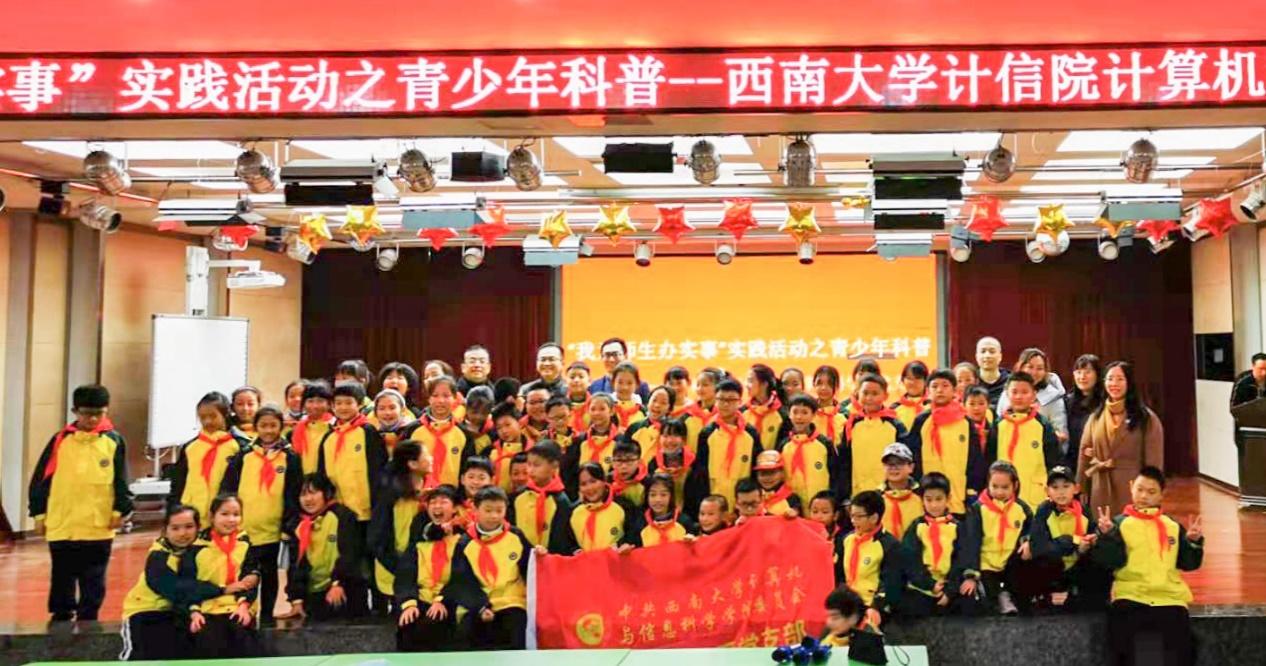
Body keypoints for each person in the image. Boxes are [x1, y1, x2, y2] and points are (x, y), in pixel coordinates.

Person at [29, 384, 132, 624]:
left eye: (99, 413)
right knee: (62, 573)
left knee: (93, 576)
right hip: (62, 522)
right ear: (75, 411)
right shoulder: (60, 441)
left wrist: (121, 509)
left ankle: (88, 618)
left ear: (106, 411)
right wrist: (39, 513)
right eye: (87, 413)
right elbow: (41, 479)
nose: (93, 419)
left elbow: (122, 479)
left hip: (98, 524)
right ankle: (61, 615)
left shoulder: (114, 441)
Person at [1094, 466, 1204, 666]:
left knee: (1185, 648)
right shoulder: (1119, 524)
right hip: (1131, 596)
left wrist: (1193, 542)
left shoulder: (1172, 526)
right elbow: (1110, 561)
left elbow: (1189, 563)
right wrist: (1108, 536)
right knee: (1119, 645)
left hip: (1169, 599)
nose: (1144, 496)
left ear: (1162, 495)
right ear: (1131, 487)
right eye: (1140, 489)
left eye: (1151, 492)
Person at [219, 406, 301, 625]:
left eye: (273, 425)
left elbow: (293, 493)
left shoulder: (290, 458)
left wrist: (288, 524)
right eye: (263, 425)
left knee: (270, 574)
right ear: (256, 427)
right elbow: (229, 488)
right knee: (246, 574)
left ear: (281, 427)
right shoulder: (243, 456)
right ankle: (245, 613)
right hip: (244, 529)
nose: (268, 430)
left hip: (273, 530)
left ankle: (267, 617)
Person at [120, 505, 224, 661]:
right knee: (141, 656)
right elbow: (175, 588)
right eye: (175, 528)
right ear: (165, 530)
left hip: (177, 611)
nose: (182, 533)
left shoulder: (203, 551)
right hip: (144, 612)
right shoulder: (158, 556)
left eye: (189, 527)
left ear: (198, 527)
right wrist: (220, 590)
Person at [448, 486, 535, 650]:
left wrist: (540, 555)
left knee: (516, 629)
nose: (494, 516)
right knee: (466, 635)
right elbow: (462, 581)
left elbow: (531, 567)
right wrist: (481, 606)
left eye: (499, 510)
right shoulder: (465, 543)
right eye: (488, 510)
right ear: (475, 510)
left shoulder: (516, 536)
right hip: (478, 603)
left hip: (512, 601)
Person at [180, 494, 262, 658]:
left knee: (244, 640)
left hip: (237, 606)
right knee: (208, 642)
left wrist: (244, 606)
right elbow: (188, 584)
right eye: (224, 514)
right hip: (206, 609)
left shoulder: (245, 544)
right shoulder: (196, 547)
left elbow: (250, 580)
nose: (231, 519)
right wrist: (194, 612)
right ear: (212, 516)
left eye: (236, 514)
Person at [1077, 361, 1164, 514]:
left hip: (1132, 488)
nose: (1114, 384)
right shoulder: (1095, 417)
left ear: (1129, 383)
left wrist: (1151, 492)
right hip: (1100, 488)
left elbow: (1154, 461)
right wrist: (1080, 488)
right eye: (1110, 379)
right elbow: (1084, 456)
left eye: (1120, 379)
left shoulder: (1146, 418)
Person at [285, 475, 367, 621]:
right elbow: (295, 565)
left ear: (326, 493)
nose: (308, 499)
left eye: (313, 493)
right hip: (314, 593)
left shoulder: (342, 516)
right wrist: (296, 600)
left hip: (343, 589)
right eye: (303, 495)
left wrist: (338, 583)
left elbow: (350, 554)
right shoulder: (298, 525)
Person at [957, 461, 1033, 616]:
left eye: (1005, 487)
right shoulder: (978, 509)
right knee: (985, 602)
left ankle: (1008, 596)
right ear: (988, 484)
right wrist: (971, 575)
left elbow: (1031, 529)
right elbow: (971, 542)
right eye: (995, 486)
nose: (999, 492)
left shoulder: (1022, 509)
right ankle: (997, 596)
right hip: (986, 565)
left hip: (1010, 562)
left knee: (1023, 587)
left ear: (1015, 485)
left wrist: (1027, 541)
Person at [395, 485, 466, 652]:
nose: (437, 506)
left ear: (454, 508)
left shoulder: (462, 542)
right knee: (408, 623)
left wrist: (442, 600)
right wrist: (409, 603)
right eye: (433, 502)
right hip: (421, 597)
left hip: (449, 598)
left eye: (443, 502)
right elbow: (405, 576)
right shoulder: (418, 543)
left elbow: (462, 576)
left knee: (435, 623)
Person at [1028, 466, 1108, 611]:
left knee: (1099, 559)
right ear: (1047, 491)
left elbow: (1091, 535)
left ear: (1076, 489)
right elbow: (1039, 547)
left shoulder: (1084, 511)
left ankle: (1083, 596)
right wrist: (1073, 542)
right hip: (1053, 566)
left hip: (1076, 565)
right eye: (1055, 487)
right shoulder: (1044, 511)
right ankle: (1042, 596)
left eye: (1066, 486)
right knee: (1039, 560)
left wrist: (1098, 536)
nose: (1061, 492)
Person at [367, 442, 433, 613]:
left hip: (423, 570)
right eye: (426, 455)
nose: (431, 459)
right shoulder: (390, 495)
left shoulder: (431, 491)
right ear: (412, 464)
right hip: (395, 568)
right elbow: (377, 538)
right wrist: (401, 568)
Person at [908, 369, 984, 516]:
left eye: (945, 386)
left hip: (958, 496)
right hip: (928, 499)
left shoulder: (965, 421)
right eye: (934, 386)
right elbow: (913, 456)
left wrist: (971, 490)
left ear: (954, 390)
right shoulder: (921, 421)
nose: (939, 390)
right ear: (927, 391)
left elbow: (975, 459)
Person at [170, 392, 249, 527]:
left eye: (213, 416)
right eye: (202, 417)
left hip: (226, 517)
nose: (207, 421)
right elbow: (178, 483)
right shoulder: (191, 447)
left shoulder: (240, 446)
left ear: (225, 414)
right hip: (192, 516)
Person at [317, 382, 388, 525]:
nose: (343, 407)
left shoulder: (368, 432)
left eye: (349, 403)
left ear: (360, 404)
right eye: (338, 403)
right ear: (332, 406)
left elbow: (379, 468)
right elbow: (322, 472)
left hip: (367, 509)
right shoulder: (328, 437)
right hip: (338, 510)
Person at [991, 372, 1060, 508]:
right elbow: (990, 459)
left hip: (1035, 496)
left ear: (1034, 395)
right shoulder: (999, 425)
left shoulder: (1042, 425)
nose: (1019, 397)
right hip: (1003, 495)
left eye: (1024, 392)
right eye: (1014, 392)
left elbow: (1053, 460)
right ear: (1007, 394)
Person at [897, 473, 962, 618]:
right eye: (929, 499)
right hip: (921, 587)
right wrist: (930, 584)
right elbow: (910, 560)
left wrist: (949, 590)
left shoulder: (958, 527)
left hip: (949, 587)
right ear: (922, 500)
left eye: (939, 499)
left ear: (948, 499)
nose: (934, 505)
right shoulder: (917, 527)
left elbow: (961, 560)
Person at [833, 490, 901, 625]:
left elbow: (890, 583)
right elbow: (839, 574)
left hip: (871, 607)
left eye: (859, 517)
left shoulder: (889, 545)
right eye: (852, 515)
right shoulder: (846, 539)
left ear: (874, 518)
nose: (853, 521)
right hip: (846, 603)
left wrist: (876, 607)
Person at [839, 373, 907, 501]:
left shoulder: (895, 425)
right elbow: (844, 462)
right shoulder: (851, 425)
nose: (869, 398)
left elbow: (904, 461)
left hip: (888, 495)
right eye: (865, 393)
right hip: (857, 494)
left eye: (875, 394)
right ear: (858, 394)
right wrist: (844, 497)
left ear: (885, 396)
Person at [695, 379, 761, 508]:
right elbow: (700, 472)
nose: (725, 404)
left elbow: (755, 470)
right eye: (721, 399)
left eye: (731, 400)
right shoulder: (707, 433)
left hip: (743, 504)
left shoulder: (751, 434)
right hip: (715, 503)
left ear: (740, 402)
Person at [405, 376, 475, 488]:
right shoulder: (412, 430)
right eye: (435, 395)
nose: (440, 401)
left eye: (446, 396)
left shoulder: (464, 433)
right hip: (418, 493)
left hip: (451, 494)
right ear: (429, 399)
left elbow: (467, 469)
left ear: (455, 398)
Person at [998, 348, 1069, 449]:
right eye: (1030, 367)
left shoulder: (1053, 398)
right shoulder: (1007, 393)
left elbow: (1062, 435)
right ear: (1021, 367)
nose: (1034, 372)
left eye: (1039, 368)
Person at [510, 440, 573, 554]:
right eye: (529, 464)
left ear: (554, 466)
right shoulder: (517, 496)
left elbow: (561, 541)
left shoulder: (561, 501)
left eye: (537, 465)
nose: (530, 470)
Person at [775, 394, 837, 508]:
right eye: (795, 412)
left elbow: (835, 474)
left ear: (813, 415)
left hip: (819, 507)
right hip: (792, 507)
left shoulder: (824, 443)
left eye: (804, 412)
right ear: (789, 414)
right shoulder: (784, 445)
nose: (799, 417)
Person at [567, 463, 641, 552]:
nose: (589, 488)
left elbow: (634, 537)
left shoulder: (624, 506)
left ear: (604, 480)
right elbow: (568, 543)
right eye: (583, 484)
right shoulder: (574, 511)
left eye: (593, 481)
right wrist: (575, 550)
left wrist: (623, 545)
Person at [644, 418, 708, 518]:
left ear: (684, 439)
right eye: (665, 436)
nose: (670, 441)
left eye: (675, 436)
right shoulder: (653, 464)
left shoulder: (695, 464)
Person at [562, 393, 621, 496]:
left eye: (602, 409)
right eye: (593, 409)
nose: (597, 413)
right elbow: (569, 473)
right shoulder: (578, 441)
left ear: (612, 411)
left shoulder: (621, 441)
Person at [1064, 354, 1105, 472]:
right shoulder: (1067, 401)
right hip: (1071, 463)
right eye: (1078, 372)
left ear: (1098, 374)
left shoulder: (1105, 402)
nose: (1082, 377)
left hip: (1096, 462)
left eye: (1088, 372)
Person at [289, 380, 335, 475]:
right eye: (310, 401)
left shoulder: (335, 427)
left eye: (320, 401)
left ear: (329, 404)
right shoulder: (298, 428)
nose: (315, 406)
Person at [640, 474, 700, 546]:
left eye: (663, 495)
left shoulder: (684, 522)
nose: (658, 500)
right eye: (653, 495)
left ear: (671, 496)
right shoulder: (640, 523)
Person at [588, 338, 651, 403]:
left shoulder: (641, 386)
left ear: (625, 356)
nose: (611, 360)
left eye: (615, 354)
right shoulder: (594, 386)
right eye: (607, 355)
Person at [879, 443, 921, 539]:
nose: (894, 468)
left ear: (911, 467)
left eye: (900, 463)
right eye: (889, 464)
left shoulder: (922, 495)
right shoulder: (875, 498)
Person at [623, 384, 674, 463]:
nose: (657, 405)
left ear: (669, 409)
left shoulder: (673, 430)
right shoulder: (634, 427)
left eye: (663, 403)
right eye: (654, 400)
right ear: (648, 402)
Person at [488, 403, 531, 494]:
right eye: (499, 428)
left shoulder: (534, 450)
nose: (504, 431)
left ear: (520, 423)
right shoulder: (490, 451)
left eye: (507, 425)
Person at [962, 386, 995, 499]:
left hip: (989, 483)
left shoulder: (995, 428)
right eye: (971, 404)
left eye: (981, 403)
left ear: (988, 405)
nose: (976, 408)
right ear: (964, 405)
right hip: (965, 482)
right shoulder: (959, 429)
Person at [744, 364, 785, 451]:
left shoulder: (782, 414)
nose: (746, 385)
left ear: (764, 384)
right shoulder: (742, 412)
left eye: (750, 381)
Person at [753, 450, 801, 517]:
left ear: (782, 473)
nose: (767, 478)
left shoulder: (791, 497)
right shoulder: (752, 495)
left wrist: (794, 513)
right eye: (763, 474)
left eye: (772, 473)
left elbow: (798, 516)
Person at [370, 388, 417, 455]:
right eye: (381, 408)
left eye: (392, 408)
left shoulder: (412, 431)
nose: (387, 413)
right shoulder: (372, 434)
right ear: (375, 413)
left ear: (402, 410)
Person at [811, 365, 848, 449]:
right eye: (819, 383)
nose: (824, 388)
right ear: (814, 384)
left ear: (837, 386)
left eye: (829, 384)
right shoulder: (809, 412)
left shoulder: (844, 414)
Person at [454, 458, 495, 529]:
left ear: (491, 481)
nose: (475, 482)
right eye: (471, 477)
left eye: (481, 478)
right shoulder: (454, 503)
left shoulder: (497, 504)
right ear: (462, 479)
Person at [891, 361, 930, 431]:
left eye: (918, 378)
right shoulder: (894, 409)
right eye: (909, 378)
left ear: (926, 381)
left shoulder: (933, 406)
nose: (913, 382)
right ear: (903, 380)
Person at [610, 441, 649, 507]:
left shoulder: (647, 484)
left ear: (639, 462)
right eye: (619, 460)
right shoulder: (608, 481)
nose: (624, 466)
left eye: (629, 461)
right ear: (613, 462)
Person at [975, 337, 1009, 410]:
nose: (987, 355)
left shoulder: (1010, 382)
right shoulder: (970, 381)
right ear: (976, 356)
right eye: (983, 351)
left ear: (1000, 356)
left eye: (992, 352)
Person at [460, 387, 496, 456]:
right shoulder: (458, 429)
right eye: (474, 412)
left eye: (484, 413)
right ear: (466, 408)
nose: (478, 417)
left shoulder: (492, 431)